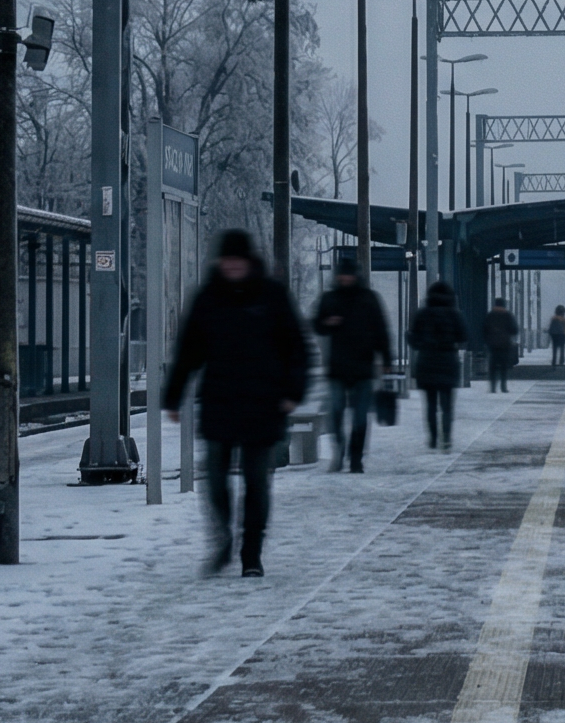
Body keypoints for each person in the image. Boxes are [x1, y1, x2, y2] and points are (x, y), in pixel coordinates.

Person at [161, 229, 310, 579]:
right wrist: (173, 395)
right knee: (214, 481)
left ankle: (251, 553)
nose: (231, 266)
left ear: (247, 260)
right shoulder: (208, 298)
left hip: (264, 404)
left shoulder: (272, 296)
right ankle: (223, 538)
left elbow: (297, 349)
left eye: (237, 260)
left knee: (257, 482)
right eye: (227, 260)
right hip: (220, 404)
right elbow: (188, 351)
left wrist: (293, 391)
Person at [311, 255, 392, 473]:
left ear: (355, 276)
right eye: (342, 275)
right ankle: (339, 449)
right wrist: (327, 322)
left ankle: (356, 458)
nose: (345, 279)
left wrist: (386, 359)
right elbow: (316, 325)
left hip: (363, 367)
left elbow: (381, 330)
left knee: (360, 415)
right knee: (336, 412)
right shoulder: (330, 299)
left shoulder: (369, 299)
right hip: (338, 367)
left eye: (348, 275)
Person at [408, 281, 470, 450]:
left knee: (430, 404)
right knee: (447, 405)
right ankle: (447, 438)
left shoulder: (422, 314)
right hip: (448, 361)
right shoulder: (455, 314)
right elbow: (464, 336)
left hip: (427, 362)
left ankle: (433, 438)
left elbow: (413, 339)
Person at [480, 295, 521, 393]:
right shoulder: (508, 315)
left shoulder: (490, 315)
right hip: (505, 344)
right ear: (504, 305)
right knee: (503, 366)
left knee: (493, 365)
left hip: (493, 344)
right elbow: (514, 329)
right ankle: (503, 386)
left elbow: (484, 329)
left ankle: (493, 387)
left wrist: (487, 340)